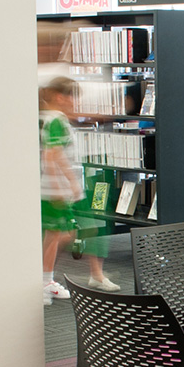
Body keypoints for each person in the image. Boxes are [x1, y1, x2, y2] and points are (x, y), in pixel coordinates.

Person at [40, 77, 118, 302]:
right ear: (60, 97)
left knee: (72, 231)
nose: (75, 102)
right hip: (60, 189)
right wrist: (66, 185)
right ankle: (44, 281)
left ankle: (91, 275)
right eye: (72, 97)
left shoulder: (51, 117)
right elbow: (53, 155)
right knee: (60, 234)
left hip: (64, 187)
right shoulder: (56, 120)